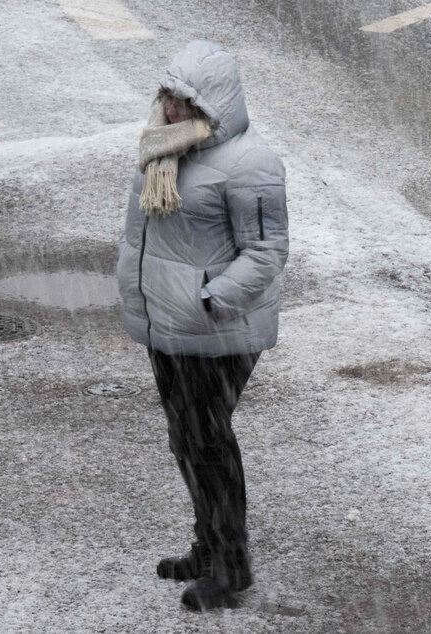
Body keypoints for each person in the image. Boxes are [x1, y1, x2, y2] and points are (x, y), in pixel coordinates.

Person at [116, 40, 289, 610]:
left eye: (186, 102)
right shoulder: (165, 150)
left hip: (216, 330)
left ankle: (230, 568)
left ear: (215, 102)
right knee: (187, 441)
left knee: (209, 443)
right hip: (171, 323)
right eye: (168, 96)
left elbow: (264, 253)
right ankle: (208, 547)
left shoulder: (249, 163)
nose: (172, 110)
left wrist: (209, 302)